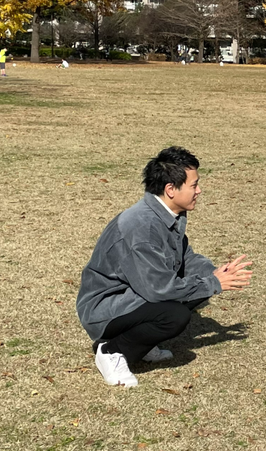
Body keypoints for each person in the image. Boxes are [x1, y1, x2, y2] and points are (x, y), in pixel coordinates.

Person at [76, 147, 253, 387]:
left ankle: (142, 343)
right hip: (104, 308)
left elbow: (185, 258)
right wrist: (212, 283)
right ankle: (112, 351)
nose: (199, 191)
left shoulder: (166, 215)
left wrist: (213, 274)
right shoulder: (142, 227)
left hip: (131, 296)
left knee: (198, 290)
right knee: (175, 315)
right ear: (170, 189)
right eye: (194, 185)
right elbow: (159, 289)